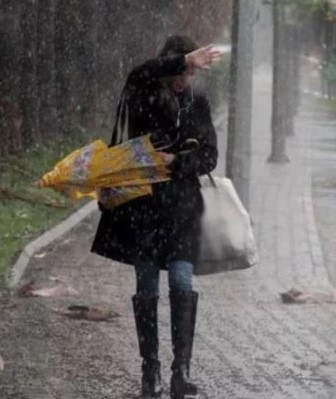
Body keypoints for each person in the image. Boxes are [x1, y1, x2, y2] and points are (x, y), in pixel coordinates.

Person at [91, 35, 220, 399]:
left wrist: (178, 162)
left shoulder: (197, 103)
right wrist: (183, 59)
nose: (184, 78)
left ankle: (182, 369)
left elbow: (210, 155)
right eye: (181, 70)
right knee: (146, 286)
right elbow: (138, 72)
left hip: (181, 210)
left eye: (191, 72)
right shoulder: (144, 93)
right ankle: (151, 370)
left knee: (181, 282)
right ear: (169, 67)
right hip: (143, 209)